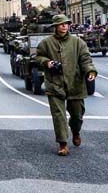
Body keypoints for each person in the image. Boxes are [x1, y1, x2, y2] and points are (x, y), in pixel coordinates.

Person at [35, 14, 97, 156]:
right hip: (54, 83)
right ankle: (63, 144)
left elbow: (85, 59)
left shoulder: (78, 42)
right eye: (61, 24)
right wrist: (46, 62)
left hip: (75, 83)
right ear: (55, 26)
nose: (64, 26)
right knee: (58, 115)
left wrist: (90, 71)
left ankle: (76, 131)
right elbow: (37, 57)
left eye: (66, 24)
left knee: (77, 114)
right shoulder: (46, 43)